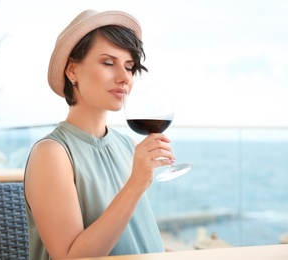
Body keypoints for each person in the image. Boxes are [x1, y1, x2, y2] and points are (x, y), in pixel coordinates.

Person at [24, 9, 176, 259]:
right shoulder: (52, 153)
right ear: (72, 71)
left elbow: (133, 236)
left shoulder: (128, 145)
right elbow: (70, 256)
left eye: (129, 67)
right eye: (108, 63)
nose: (124, 78)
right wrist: (136, 183)